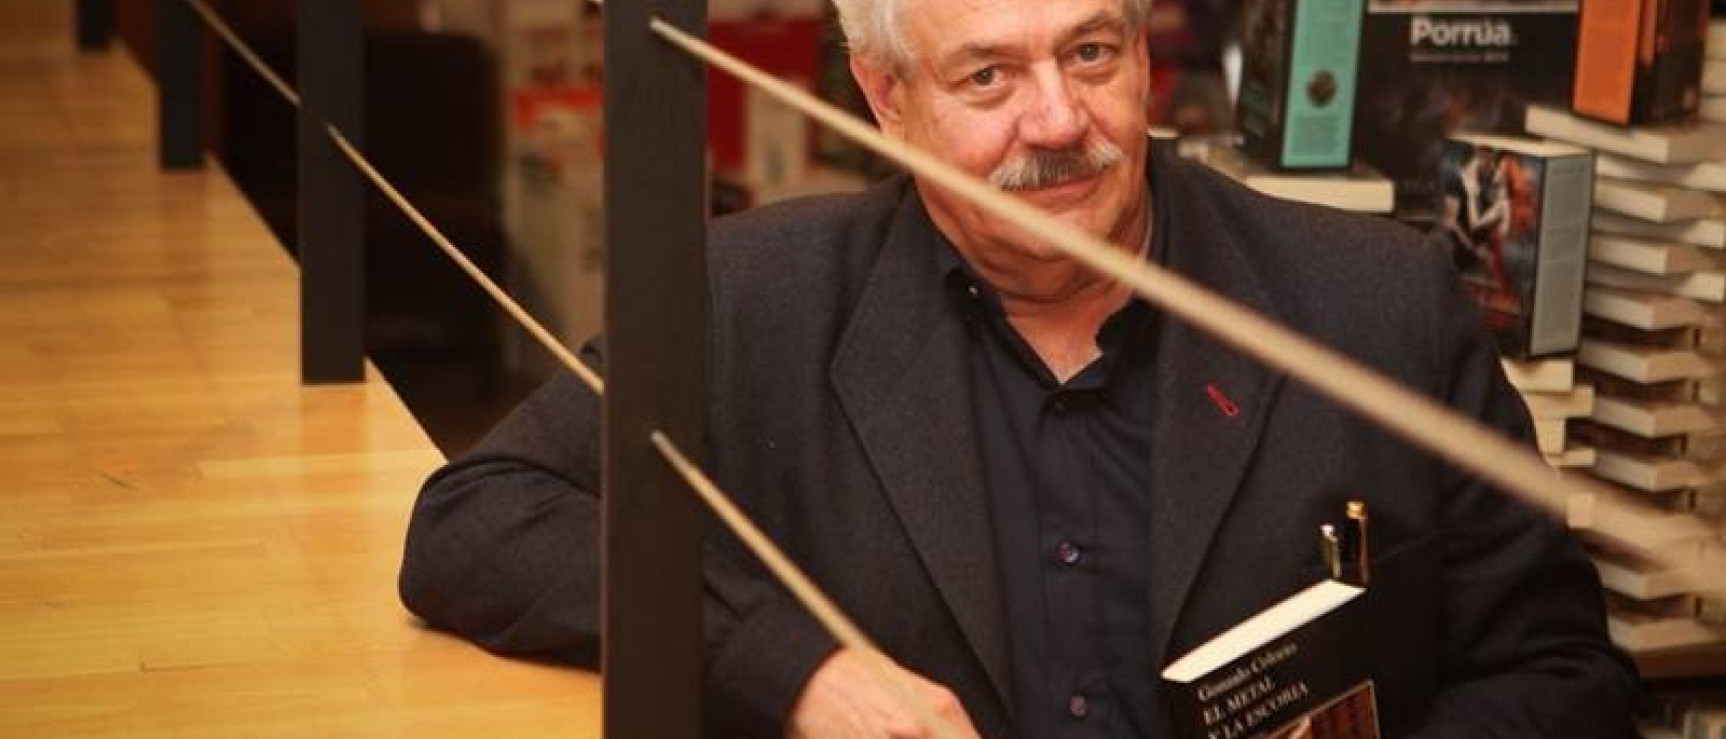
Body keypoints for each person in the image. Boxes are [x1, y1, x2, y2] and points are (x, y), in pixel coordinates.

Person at [398, 0, 1640, 737]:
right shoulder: (748, 298)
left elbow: (1569, 681)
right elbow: (473, 522)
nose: (1056, 121)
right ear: (884, 100)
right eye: (987, 76)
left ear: (1147, 52)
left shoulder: (1375, 305)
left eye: (1090, 53)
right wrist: (794, 669)